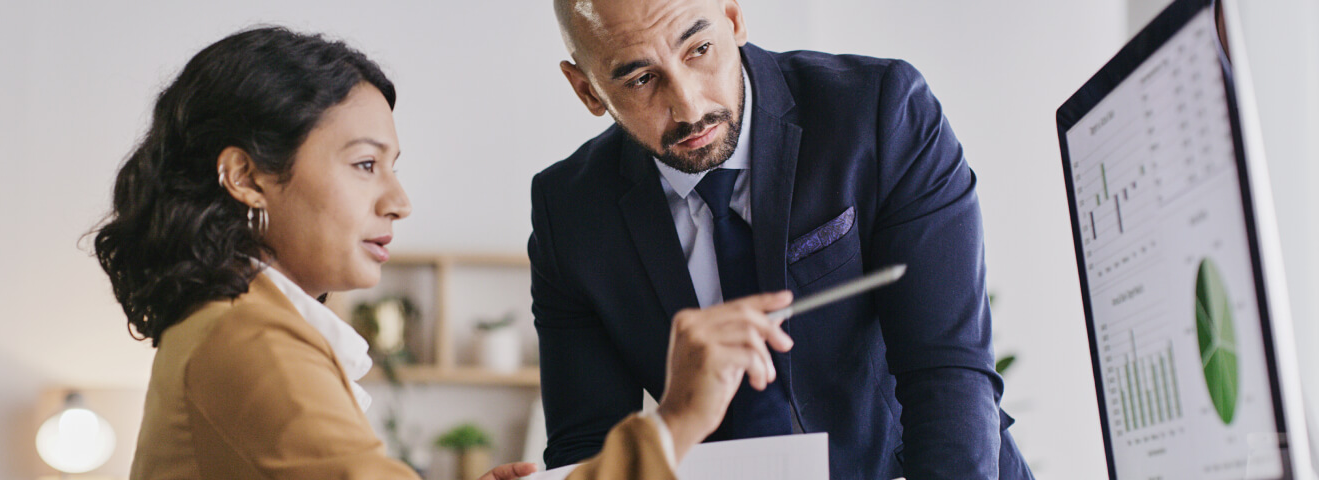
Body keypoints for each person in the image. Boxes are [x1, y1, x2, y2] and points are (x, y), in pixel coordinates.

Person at [93, 26, 795, 480]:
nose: (398, 200)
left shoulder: (234, 326)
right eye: (365, 165)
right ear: (247, 176)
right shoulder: (249, 338)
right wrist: (675, 424)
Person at [530, 0, 1036, 479]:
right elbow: (587, 451)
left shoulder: (880, 111)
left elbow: (948, 371)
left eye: (699, 50)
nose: (689, 106)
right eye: (641, 78)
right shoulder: (570, 213)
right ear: (588, 91)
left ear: (732, 17)